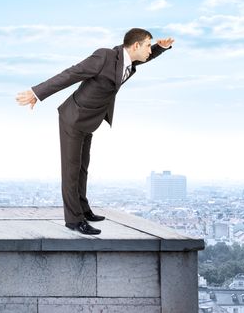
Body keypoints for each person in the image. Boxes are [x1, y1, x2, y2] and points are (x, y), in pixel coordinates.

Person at [16, 28, 174, 235]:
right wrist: (37, 93)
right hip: (74, 118)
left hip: (90, 119)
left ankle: (82, 208)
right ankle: (73, 220)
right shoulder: (105, 56)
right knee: (71, 171)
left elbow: (143, 58)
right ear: (136, 45)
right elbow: (71, 74)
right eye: (147, 45)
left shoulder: (128, 60)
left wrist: (160, 48)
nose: (148, 50)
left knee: (82, 167)